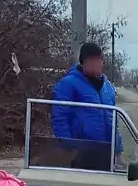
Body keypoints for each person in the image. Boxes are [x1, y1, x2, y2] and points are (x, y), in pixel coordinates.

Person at [51, 41, 123, 171]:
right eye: (93, 60)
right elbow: (60, 119)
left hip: (106, 150)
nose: (98, 63)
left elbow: (113, 119)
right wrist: (69, 148)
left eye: (100, 59)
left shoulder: (108, 87)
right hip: (81, 152)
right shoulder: (68, 84)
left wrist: (117, 149)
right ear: (84, 62)